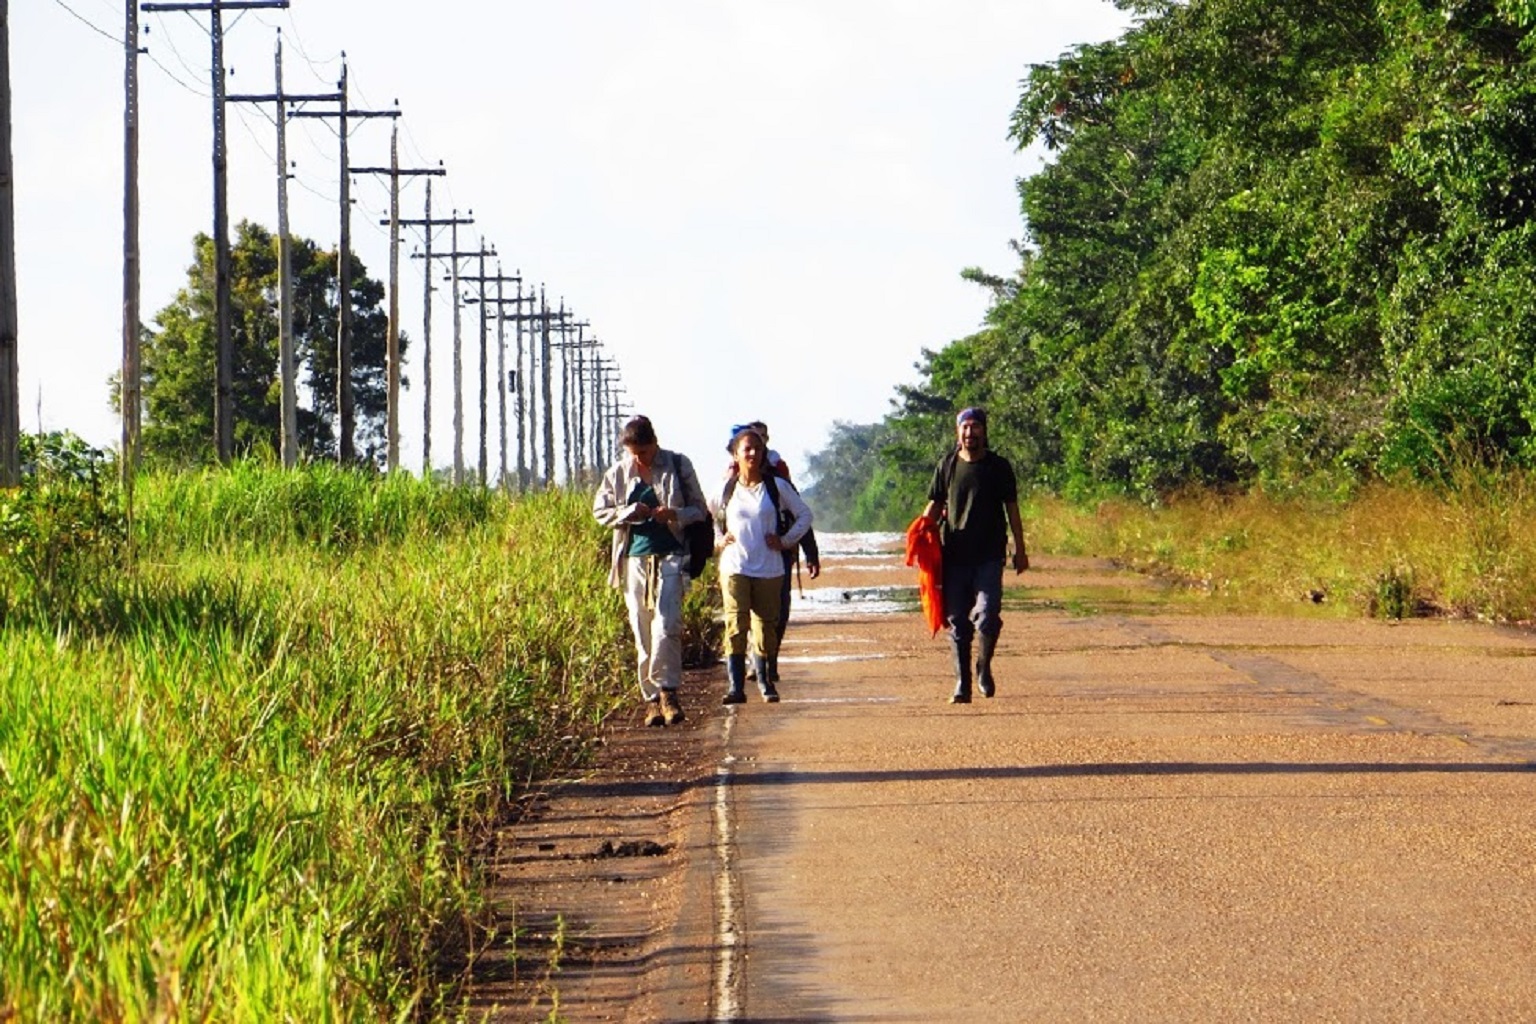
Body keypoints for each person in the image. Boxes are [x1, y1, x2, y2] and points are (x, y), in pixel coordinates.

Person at [593, 415, 709, 727]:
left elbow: (700, 510)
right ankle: (651, 699)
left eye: (643, 452)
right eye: (633, 453)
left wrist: (673, 514)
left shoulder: (677, 465)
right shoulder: (618, 473)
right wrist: (629, 512)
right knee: (641, 627)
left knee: (666, 624)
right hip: (634, 559)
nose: (638, 459)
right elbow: (600, 511)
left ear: (654, 444)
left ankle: (669, 691)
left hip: (672, 554)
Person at [919, 407, 1029, 704]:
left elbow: (1012, 509)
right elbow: (935, 505)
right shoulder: (947, 465)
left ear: (984, 431)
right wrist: (921, 532)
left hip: (989, 556)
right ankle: (962, 683)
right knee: (958, 622)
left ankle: (983, 666)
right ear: (958, 433)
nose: (970, 433)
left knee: (988, 616)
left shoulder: (999, 467)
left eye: (975, 427)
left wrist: (1020, 547)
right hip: (954, 557)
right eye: (965, 428)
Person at [715, 425, 814, 704]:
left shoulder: (776, 487)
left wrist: (785, 541)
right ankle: (735, 687)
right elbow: (706, 514)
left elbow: (804, 515)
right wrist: (719, 540)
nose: (753, 453)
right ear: (735, 454)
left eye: (757, 449)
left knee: (765, 626)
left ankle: (764, 680)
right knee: (735, 623)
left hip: (769, 567)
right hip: (735, 566)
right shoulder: (726, 489)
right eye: (746, 449)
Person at [735, 420, 820, 684]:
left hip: (777, 555)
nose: (754, 451)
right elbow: (714, 514)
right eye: (750, 444)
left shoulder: (779, 482)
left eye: (759, 443)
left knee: (778, 612)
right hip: (742, 558)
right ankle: (754, 661)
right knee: (742, 613)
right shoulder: (731, 482)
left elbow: (801, 515)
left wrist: (809, 552)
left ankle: (769, 659)